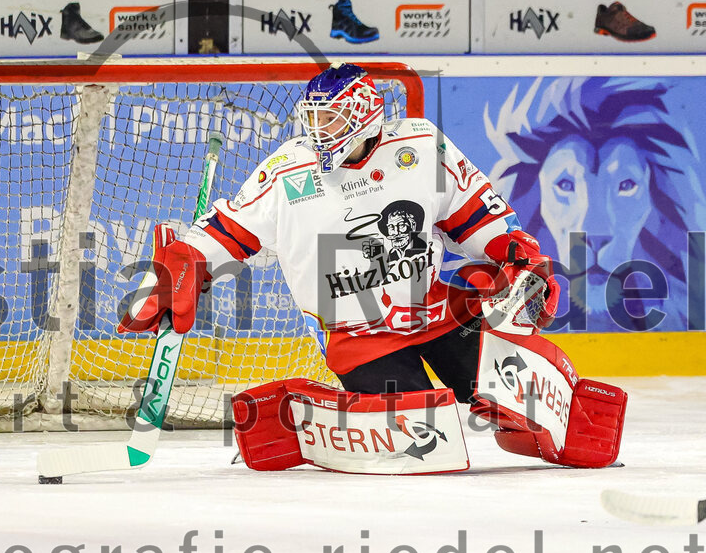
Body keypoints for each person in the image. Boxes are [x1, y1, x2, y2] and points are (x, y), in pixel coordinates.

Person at [118, 62, 560, 406]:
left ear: (365, 115)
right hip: (358, 336)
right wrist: (183, 263)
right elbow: (229, 228)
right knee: (423, 430)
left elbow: (473, 214)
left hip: (435, 311)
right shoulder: (288, 171)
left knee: (529, 399)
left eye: (330, 119)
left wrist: (515, 253)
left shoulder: (421, 146)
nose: (318, 131)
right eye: (313, 119)